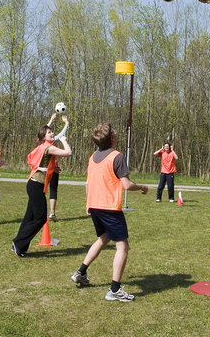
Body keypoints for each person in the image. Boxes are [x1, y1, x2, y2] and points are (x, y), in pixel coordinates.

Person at [70, 123, 148, 302]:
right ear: (111, 139)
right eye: (114, 133)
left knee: (103, 238)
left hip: (95, 205)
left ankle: (80, 272)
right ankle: (114, 289)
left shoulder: (93, 156)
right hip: (109, 208)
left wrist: (88, 203)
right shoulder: (117, 157)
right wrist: (142, 187)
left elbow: (88, 183)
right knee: (122, 246)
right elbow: (127, 184)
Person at [12, 126, 71, 257]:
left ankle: (18, 246)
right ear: (44, 137)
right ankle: (18, 242)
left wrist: (53, 169)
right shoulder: (49, 147)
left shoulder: (42, 146)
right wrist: (64, 140)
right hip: (35, 185)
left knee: (29, 217)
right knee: (40, 218)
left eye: (52, 132)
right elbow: (68, 152)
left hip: (34, 184)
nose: (52, 133)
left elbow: (41, 164)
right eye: (49, 132)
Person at [46, 113, 69, 221]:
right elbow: (62, 134)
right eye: (50, 132)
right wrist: (66, 123)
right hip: (50, 169)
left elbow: (44, 130)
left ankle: (50, 213)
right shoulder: (52, 142)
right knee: (52, 190)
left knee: (45, 190)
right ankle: (51, 213)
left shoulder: (44, 141)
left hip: (48, 169)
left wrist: (51, 120)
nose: (52, 133)